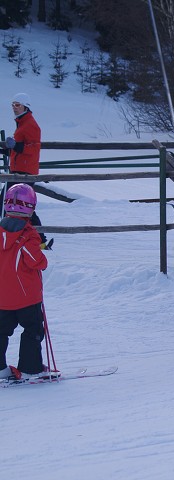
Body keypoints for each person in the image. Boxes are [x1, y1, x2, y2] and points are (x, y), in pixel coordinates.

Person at [0, 184, 51, 380]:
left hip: (2, 297)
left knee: (1, 331)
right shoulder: (28, 235)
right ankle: (31, 368)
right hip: (26, 298)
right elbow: (36, 261)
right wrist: (43, 260)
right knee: (33, 329)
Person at [0, 93, 49, 248]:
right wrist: (8, 149)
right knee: (12, 204)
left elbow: (34, 148)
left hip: (25, 172)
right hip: (18, 170)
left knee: (18, 205)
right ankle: (38, 240)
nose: (14, 108)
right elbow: (20, 147)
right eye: (13, 104)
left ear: (26, 106)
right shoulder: (22, 123)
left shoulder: (31, 125)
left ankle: (39, 240)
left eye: (17, 105)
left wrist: (16, 146)